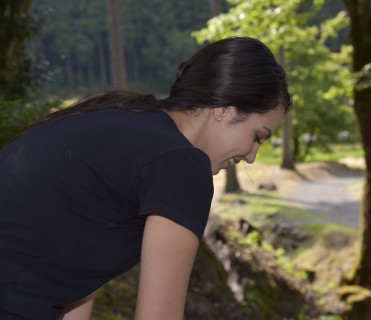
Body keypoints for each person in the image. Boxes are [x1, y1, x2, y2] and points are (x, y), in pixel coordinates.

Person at [0, 36, 292, 319]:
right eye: (257, 136)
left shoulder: (123, 117)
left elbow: (75, 273)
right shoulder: (182, 165)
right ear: (225, 109)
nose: (252, 156)